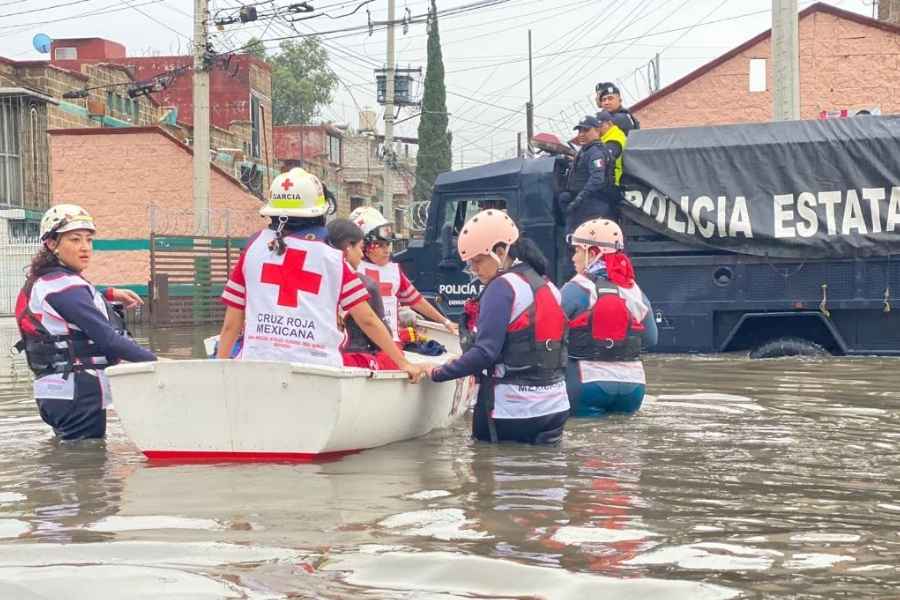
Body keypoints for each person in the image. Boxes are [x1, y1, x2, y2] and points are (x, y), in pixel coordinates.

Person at [217, 168, 423, 382]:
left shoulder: (253, 247)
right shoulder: (331, 258)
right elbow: (367, 319)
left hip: (258, 367)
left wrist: (219, 370)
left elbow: (232, 324)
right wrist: (404, 363)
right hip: (318, 373)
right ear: (319, 213)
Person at [424, 209, 570, 445]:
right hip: (555, 409)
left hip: (509, 413)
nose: (474, 269)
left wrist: (437, 372)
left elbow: (484, 353)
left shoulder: (501, 287)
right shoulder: (550, 287)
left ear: (501, 252)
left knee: (490, 474)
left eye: (478, 260)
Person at [15, 204, 157, 440]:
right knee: (87, 468)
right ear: (52, 244)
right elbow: (109, 341)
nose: (85, 248)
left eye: (89, 240)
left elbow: (71, 303)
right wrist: (159, 363)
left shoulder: (48, 280)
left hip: (55, 390)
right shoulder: (64, 287)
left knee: (68, 461)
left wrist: (108, 293)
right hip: (78, 392)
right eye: (74, 240)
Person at [560, 218, 657, 417]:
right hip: (633, 388)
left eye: (577, 251)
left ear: (593, 253)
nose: (573, 258)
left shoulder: (575, 288)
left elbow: (548, 333)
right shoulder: (635, 292)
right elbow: (651, 339)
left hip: (585, 385)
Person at [349, 206, 458, 341]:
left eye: (388, 244)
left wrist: (445, 321)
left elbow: (416, 300)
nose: (387, 250)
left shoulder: (393, 271)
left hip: (391, 342)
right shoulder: (351, 269)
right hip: (361, 342)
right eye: (380, 245)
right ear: (363, 245)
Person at [325, 217, 397, 370]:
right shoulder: (365, 285)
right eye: (360, 247)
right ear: (348, 248)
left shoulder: (317, 275)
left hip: (321, 354)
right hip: (356, 358)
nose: (362, 254)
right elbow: (378, 334)